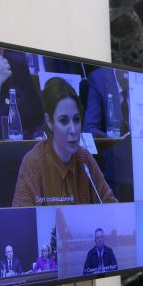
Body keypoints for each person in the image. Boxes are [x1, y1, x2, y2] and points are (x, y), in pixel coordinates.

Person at [11, 77, 118, 207]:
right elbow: (21, 220)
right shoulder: (34, 162)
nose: (73, 129)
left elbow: (112, 208)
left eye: (76, 119)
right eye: (64, 121)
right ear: (49, 121)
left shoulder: (85, 158)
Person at [83, 67, 129, 137]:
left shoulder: (142, 82)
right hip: (112, 145)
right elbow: (90, 128)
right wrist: (112, 139)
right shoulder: (99, 80)